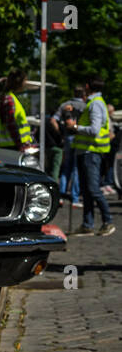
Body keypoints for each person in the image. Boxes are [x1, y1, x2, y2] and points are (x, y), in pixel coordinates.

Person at [64, 76, 114, 235]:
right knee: (86, 190)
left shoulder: (96, 104)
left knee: (92, 189)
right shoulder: (93, 103)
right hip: (85, 152)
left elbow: (94, 129)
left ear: (87, 86)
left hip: (91, 153)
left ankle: (108, 221)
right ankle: (88, 224)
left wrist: (75, 126)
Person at [0, 69, 34, 151]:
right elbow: (11, 123)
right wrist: (20, 144)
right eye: (25, 81)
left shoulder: (9, 97)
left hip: (11, 145)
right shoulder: (9, 99)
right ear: (19, 82)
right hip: (12, 146)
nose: (25, 83)